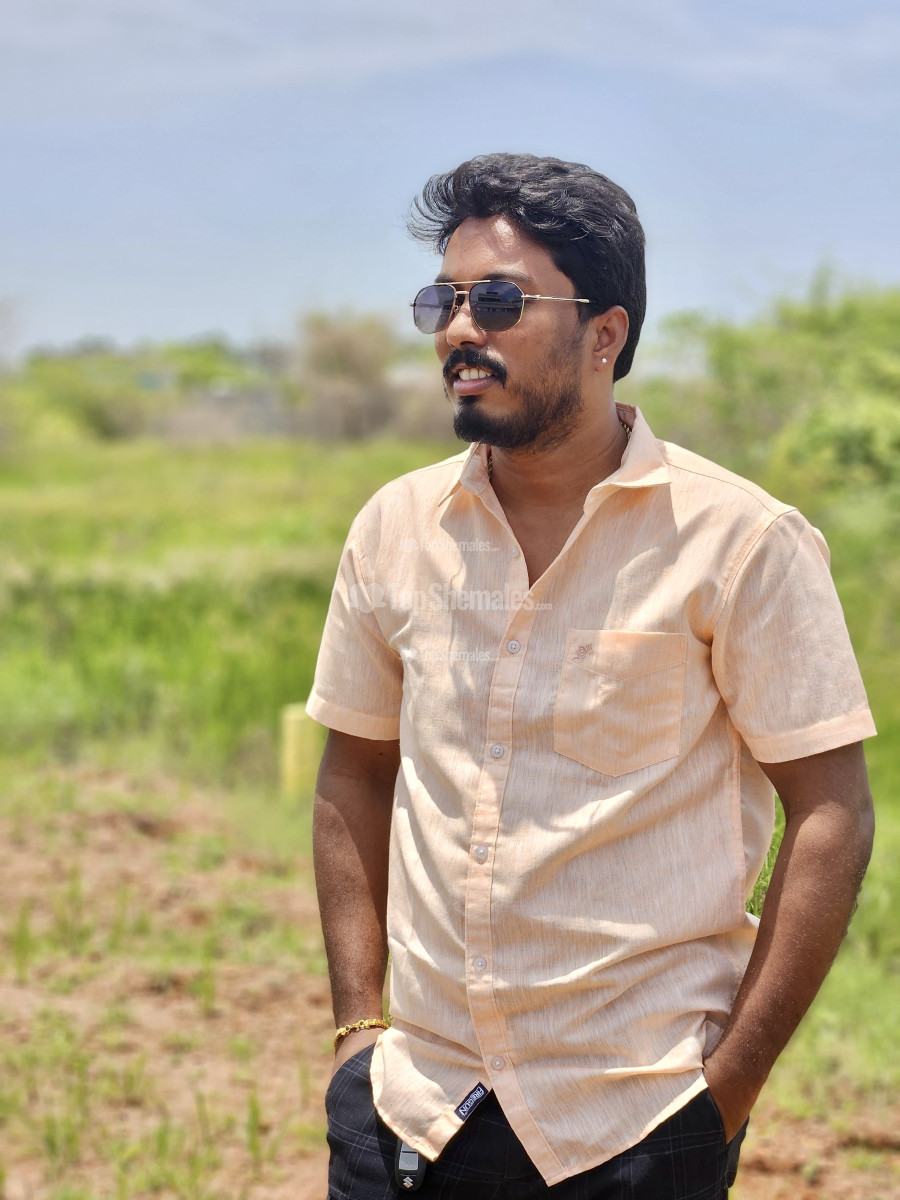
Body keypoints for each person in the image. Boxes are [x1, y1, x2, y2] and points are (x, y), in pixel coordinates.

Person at [307, 153, 876, 1200]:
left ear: (605, 333)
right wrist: (357, 1032)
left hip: (636, 1119)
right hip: (410, 1113)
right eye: (442, 300)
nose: (458, 329)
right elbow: (355, 770)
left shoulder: (741, 541)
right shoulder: (395, 527)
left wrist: (728, 1089)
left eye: (496, 301)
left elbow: (831, 812)